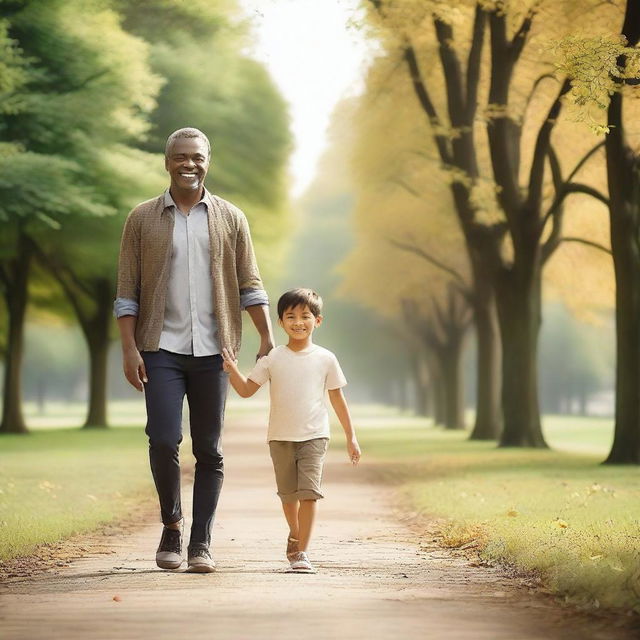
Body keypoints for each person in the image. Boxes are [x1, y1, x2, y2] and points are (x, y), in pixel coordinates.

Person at [114, 127, 274, 573]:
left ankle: (201, 542)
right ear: (167, 162)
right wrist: (129, 349)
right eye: (180, 157)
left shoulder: (231, 217)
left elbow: (250, 283)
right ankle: (172, 525)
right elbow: (126, 292)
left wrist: (265, 335)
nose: (190, 164)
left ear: (208, 161)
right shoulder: (142, 218)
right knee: (163, 438)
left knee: (210, 448)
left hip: (214, 352)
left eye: (197, 157)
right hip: (159, 347)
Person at [221, 288, 361, 573]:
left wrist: (351, 437)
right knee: (288, 496)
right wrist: (232, 369)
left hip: (314, 435)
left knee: (308, 493)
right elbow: (247, 390)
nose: (298, 322)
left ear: (317, 321)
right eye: (291, 316)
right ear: (281, 322)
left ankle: (302, 552)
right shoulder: (273, 358)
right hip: (280, 437)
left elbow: (337, 398)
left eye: (305, 316)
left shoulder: (326, 358)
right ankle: (295, 532)